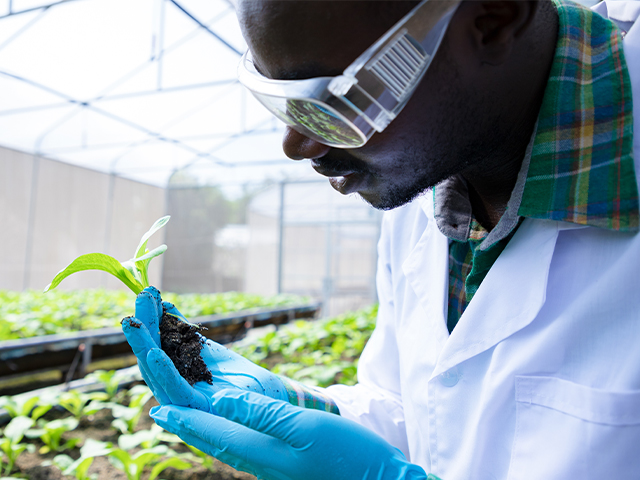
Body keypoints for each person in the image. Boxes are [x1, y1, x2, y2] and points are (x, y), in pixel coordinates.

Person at [122, 0, 640, 479]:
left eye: (336, 99)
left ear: (494, 18)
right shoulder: (424, 180)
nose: (297, 144)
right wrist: (297, 405)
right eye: (278, 98)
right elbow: (416, 412)